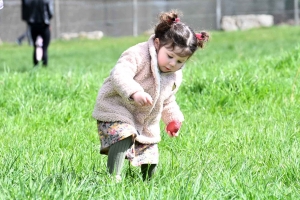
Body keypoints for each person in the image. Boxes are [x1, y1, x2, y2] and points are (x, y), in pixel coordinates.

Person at [92, 10, 209, 182]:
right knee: (124, 135)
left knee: (150, 152)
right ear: (157, 43)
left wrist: (173, 120)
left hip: (144, 119)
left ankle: (148, 183)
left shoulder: (174, 75)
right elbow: (119, 74)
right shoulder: (137, 55)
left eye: (179, 61)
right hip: (116, 107)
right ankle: (113, 176)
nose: (172, 64)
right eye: (169, 56)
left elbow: (168, 100)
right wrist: (135, 92)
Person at [22, 0, 53, 67]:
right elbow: (50, 12)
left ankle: (36, 66)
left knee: (35, 46)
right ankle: (44, 66)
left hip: (33, 25)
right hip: (44, 24)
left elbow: (25, 10)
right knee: (44, 48)